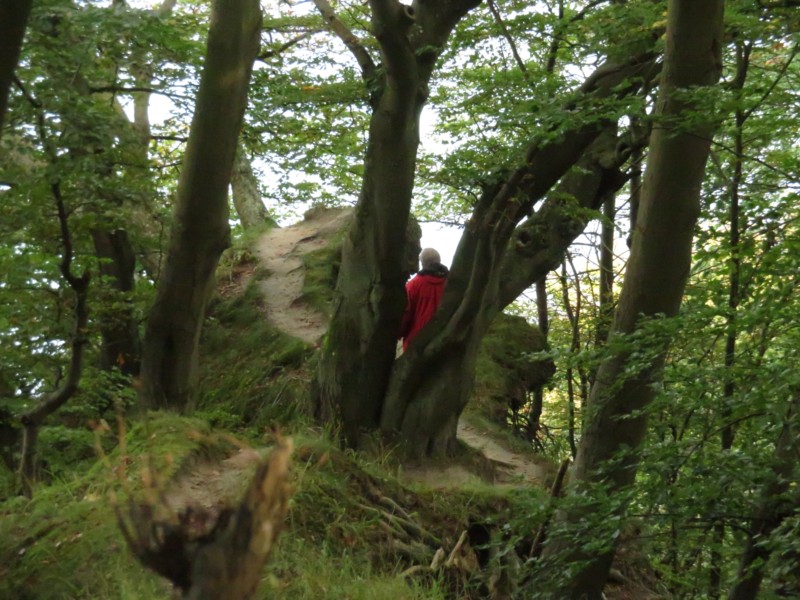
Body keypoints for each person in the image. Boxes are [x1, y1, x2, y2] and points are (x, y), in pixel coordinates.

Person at [399, 247, 449, 351]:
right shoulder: (451, 283)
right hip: (445, 342)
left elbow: (405, 314)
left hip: (416, 345)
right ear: (439, 260)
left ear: (422, 263)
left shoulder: (413, 285)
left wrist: (398, 333)